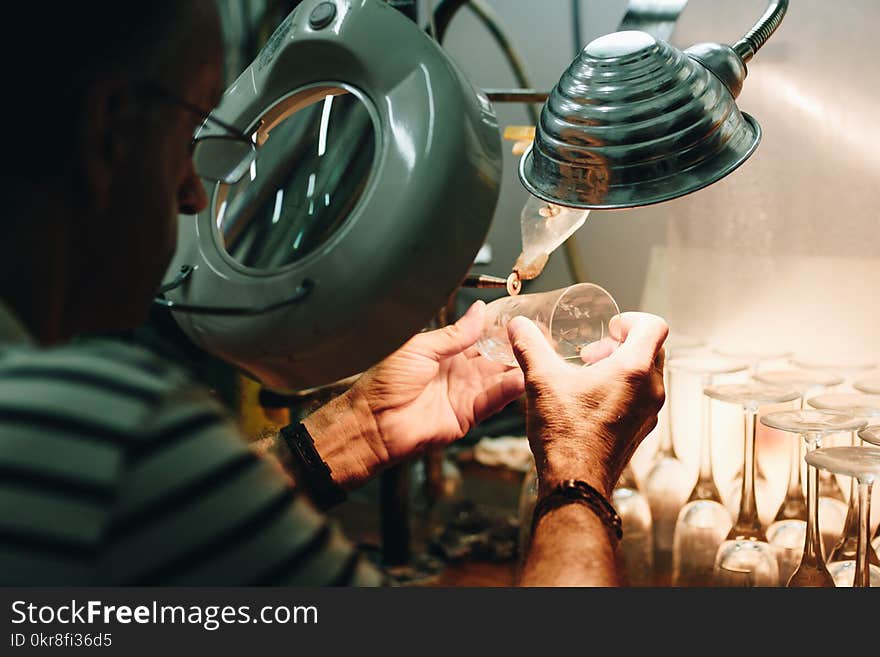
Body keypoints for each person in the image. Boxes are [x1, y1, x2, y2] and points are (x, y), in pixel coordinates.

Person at [0, 1, 666, 586]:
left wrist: (360, 430)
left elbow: (160, 534)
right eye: (190, 133)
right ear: (109, 130)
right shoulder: (113, 431)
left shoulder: (57, 442)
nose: (195, 194)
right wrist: (580, 471)